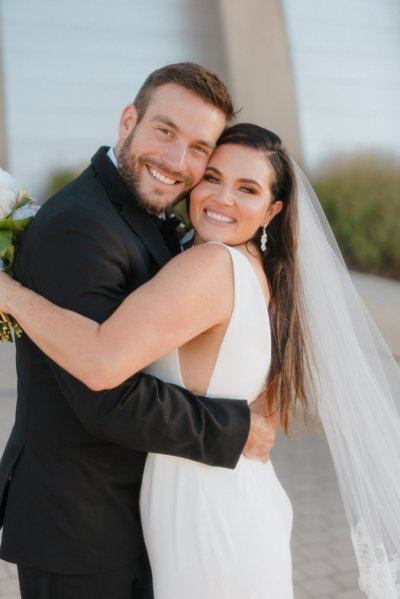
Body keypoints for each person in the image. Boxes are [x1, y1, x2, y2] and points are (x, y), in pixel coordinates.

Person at [2, 123, 400, 599]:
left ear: (272, 210)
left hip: (205, 511)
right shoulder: (263, 270)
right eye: (212, 177)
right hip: (239, 497)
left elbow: (101, 358)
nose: (222, 197)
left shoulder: (209, 265)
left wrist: (13, 295)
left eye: (247, 189)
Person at [0, 64, 276, 599]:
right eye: (165, 131)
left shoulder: (151, 214)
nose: (178, 162)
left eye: (200, 148)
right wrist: (234, 428)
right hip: (81, 529)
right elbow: (105, 393)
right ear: (129, 120)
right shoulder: (80, 226)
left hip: (128, 520)